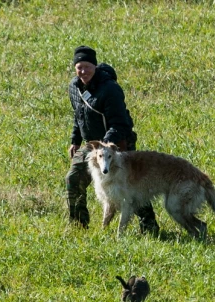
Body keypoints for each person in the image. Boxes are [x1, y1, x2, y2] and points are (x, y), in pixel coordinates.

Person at [65, 45, 159, 233]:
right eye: (79, 67)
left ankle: (149, 227)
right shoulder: (74, 87)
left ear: (95, 66)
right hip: (92, 144)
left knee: (131, 186)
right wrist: (75, 139)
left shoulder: (110, 89)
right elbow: (78, 116)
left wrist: (106, 144)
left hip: (116, 144)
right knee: (73, 178)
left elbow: (120, 122)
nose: (83, 71)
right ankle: (78, 225)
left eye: (87, 67)